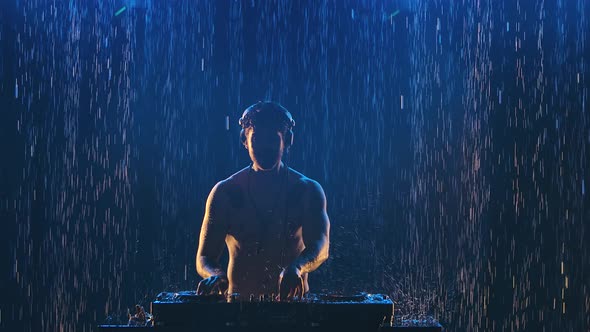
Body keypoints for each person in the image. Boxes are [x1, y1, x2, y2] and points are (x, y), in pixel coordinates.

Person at [195, 101, 330, 301]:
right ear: (245, 140)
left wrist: (297, 268)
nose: (265, 148)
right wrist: (215, 275)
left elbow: (322, 246)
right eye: (258, 140)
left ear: (288, 140)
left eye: (272, 141)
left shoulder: (306, 191)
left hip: (293, 310)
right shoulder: (226, 193)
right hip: (239, 311)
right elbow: (204, 257)